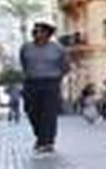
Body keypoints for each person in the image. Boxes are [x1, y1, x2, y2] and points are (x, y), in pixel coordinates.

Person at [19, 22, 69, 153]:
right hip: (31, 82)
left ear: (48, 34)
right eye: (34, 31)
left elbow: (65, 66)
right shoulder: (26, 47)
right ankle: (41, 137)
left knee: (49, 113)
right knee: (32, 111)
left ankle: (47, 141)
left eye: (40, 31)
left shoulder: (58, 49)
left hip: (51, 82)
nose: (36, 34)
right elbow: (24, 63)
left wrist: (57, 78)